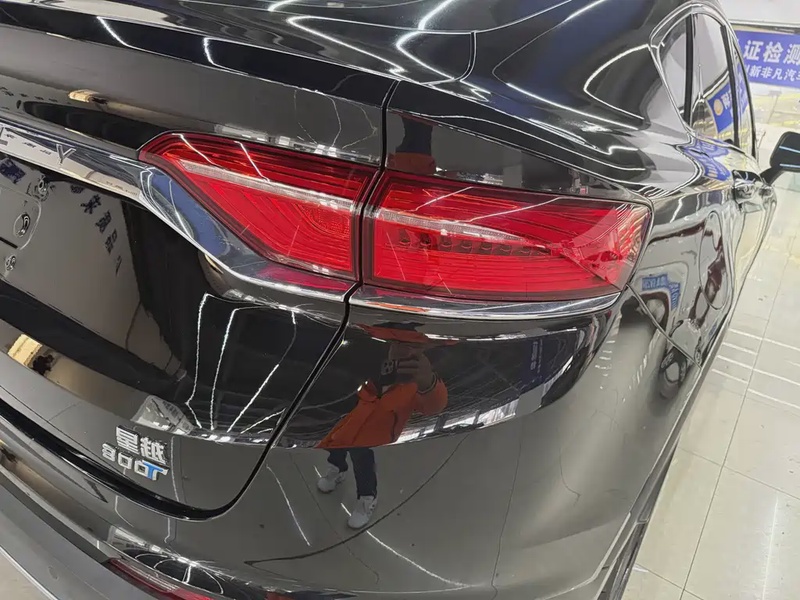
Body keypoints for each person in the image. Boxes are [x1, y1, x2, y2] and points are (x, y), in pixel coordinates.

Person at [316, 332, 447, 529]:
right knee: (336, 446)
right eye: (398, 343)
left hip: (374, 432)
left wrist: (428, 382)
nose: (403, 350)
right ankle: (337, 469)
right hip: (350, 419)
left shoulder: (416, 380)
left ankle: (367, 498)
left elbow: (433, 407)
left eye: (413, 346)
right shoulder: (372, 355)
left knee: (362, 462)